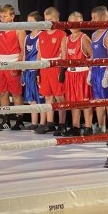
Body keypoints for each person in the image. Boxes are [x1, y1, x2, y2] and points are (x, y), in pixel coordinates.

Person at [0, 4, 25, 130]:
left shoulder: (19, 30)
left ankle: (19, 120)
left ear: (12, 16)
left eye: (5, 16)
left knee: (16, 93)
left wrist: (19, 65)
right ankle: (5, 120)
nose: (2, 19)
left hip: (13, 63)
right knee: (2, 93)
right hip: (0, 64)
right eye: (1, 17)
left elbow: (23, 49)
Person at [60, 11, 93, 136]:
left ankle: (88, 127)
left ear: (80, 23)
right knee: (73, 102)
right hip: (70, 74)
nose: (73, 25)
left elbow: (93, 56)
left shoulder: (84, 38)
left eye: (75, 22)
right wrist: (62, 72)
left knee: (85, 102)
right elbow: (64, 57)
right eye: (71, 22)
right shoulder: (66, 39)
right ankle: (76, 127)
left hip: (83, 73)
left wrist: (91, 73)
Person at [36, 7, 67, 135]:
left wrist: (63, 70)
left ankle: (62, 124)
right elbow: (39, 53)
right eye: (46, 19)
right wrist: (37, 70)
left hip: (56, 67)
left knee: (59, 96)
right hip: (44, 68)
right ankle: (50, 123)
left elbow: (64, 53)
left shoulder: (61, 34)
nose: (48, 22)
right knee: (47, 96)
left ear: (57, 20)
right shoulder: (41, 34)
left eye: (51, 19)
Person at [88, 6, 108, 134]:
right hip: (95, 70)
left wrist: (107, 73)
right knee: (98, 100)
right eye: (91, 18)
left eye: (94, 18)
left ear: (103, 18)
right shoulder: (93, 34)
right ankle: (101, 127)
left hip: (105, 70)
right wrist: (90, 71)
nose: (92, 20)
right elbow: (93, 54)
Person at [22, 12, 42, 130]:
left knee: (41, 97)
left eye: (31, 22)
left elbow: (41, 55)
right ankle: (34, 123)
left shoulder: (41, 36)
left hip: (37, 71)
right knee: (31, 98)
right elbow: (25, 55)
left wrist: (38, 71)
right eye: (27, 21)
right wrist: (23, 71)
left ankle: (43, 123)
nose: (28, 24)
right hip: (28, 71)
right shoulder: (27, 37)